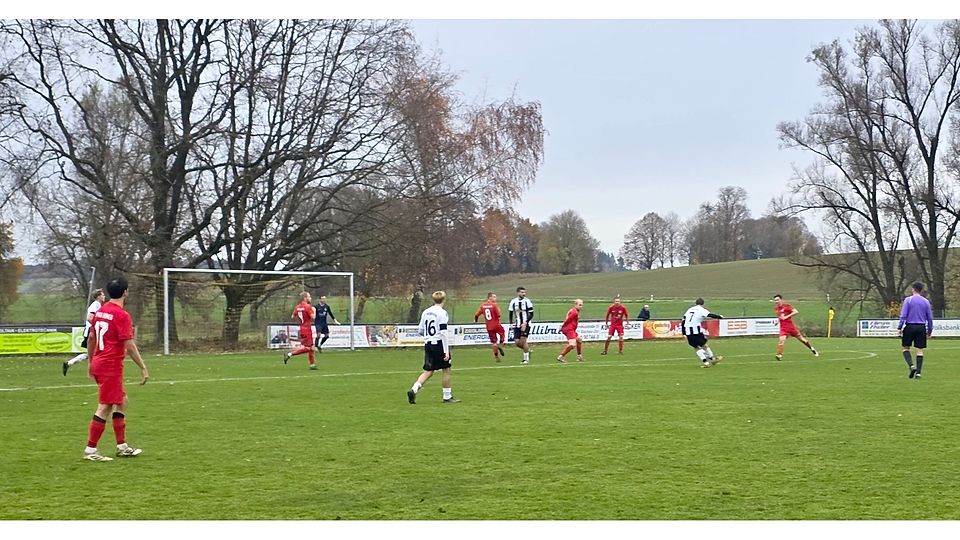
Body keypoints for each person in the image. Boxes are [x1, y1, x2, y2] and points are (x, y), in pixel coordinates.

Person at [81, 277, 149, 461]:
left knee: (122, 401)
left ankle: (122, 446)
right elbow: (130, 346)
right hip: (110, 366)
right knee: (105, 406)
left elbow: (91, 339)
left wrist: (91, 362)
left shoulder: (101, 311)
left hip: (100, 362)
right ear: (125, 292)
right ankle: (90, 450)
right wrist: (143, 367)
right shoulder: (122, 315)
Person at [407, 291, 458, 404]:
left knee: (428, 370)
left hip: (428, 344)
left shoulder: (426, 312)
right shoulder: (442, 313)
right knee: (446, 369)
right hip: (439, 343)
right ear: (444, 300)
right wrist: (446, 351)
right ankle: (447, 396)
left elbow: (420, 330)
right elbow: (443, 332)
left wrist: (428, 337)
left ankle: (414, 389)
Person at [63, 288, 106, 376]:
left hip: (92, 331)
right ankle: (97, 372)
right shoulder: (96, 305)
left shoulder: (98, 305)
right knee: (96, 352)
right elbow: (89, 318)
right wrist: (98, 326)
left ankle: (69, 363)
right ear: (98, 296)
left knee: (92, 353)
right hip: (91, 332)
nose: (104, 296)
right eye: (102, 295)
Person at [898, 282, 934, 379]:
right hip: (921, 327)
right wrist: (929, 331)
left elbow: (903, 315)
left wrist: (900, 327)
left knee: (905, 348)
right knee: (919, 350)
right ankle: (918, 373)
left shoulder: (908, 300)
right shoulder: (926, 301)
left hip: (910, 326)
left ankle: (911, 366)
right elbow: (929, 318)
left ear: (913, 289)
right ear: (921, 290)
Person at [773, 294, 819, 361]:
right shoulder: (776, 308)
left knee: (802, 340)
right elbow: (780, 317)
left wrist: (786, 317)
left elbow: (796, 311)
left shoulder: (787, 306)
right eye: (775, 300)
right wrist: (777, 321)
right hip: (783, 328)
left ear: (781, 300)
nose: (776, 301)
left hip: (791, 327)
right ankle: (779, 355)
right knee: (781, 341)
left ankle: (812, 349)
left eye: (777, 300)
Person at [681, 298, 724, 368]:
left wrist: (683, 333)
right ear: (703, 304)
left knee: (696, 347)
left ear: (695, 303)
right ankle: (712, 359)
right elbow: (709, 315)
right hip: (696, 330)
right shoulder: (701, 309)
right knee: (704, 344)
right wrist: (719, 317)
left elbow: (683, 321)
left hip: (688, 331)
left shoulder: (689, 309)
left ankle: (706, 363)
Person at [283, 292, 317, 370]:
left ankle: (312, 365)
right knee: (308, 348)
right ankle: (289, 354)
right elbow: (313, 317)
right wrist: (314, 310)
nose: (310, 298)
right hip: (307, 329)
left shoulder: (297, 307)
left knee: (312, 347)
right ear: (305, 298)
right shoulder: (308, 306)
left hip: (301, 328)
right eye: (309, 297)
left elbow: (292, 316)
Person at [474, 292, 506, 362]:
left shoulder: (483, 306)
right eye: (494, 297)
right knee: (502, 332)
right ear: (490, 297)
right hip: (496, 324)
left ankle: (496, 357)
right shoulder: (494, 305)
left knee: (493, 342)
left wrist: (475, 321)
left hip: (489, 326)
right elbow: (499, 315)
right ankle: (501, 345)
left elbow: (476, 315)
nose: (495, 298)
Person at [508, 286, 534, 364]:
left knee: (523, 341)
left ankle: (526, 359)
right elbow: (510, 313)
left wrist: (525, 323)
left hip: (526, 324)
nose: (524, 294)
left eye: (524, 292)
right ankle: (528, 350)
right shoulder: (513, 301)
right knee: (517, 342)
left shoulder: (527, 301)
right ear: (518, 293)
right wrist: (511, 323)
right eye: (522, 292)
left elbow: (531, 314)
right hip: (517, 324)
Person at [557, 299, 584, 363]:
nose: (581, 307)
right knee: (572, 345)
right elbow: (568, 319)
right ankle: (561, 356)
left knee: (579, 340)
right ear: (575, 305)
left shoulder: (573, 310)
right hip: (569, 329)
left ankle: (579, 356)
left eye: (582, 305)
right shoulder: (575, 312)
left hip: (571, 329)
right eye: (580, 305)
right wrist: (562, 326)